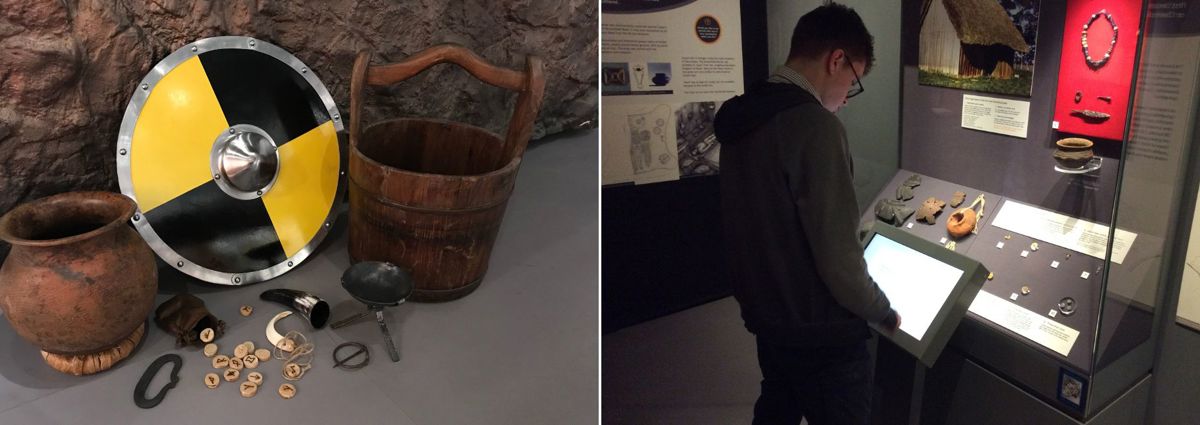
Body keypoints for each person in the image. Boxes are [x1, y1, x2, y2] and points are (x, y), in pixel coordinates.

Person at [712, 2, 899, 424]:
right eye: (853, 82)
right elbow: (838, 257)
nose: (846, 99)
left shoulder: (745, 116)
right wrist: (881, 310)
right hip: (822, 333)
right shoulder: (815, 127)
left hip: (770, 318)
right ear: (837, 60)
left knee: (777, 405)